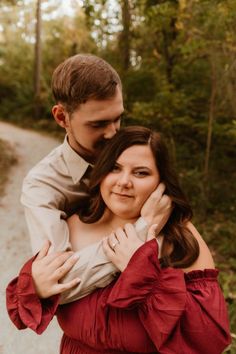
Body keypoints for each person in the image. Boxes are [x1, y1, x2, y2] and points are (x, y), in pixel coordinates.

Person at [7, 126, 231, 354]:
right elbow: (22, 313)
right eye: (115, 168)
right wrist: (37, 288)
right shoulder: (72, 227)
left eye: (141, 173)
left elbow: (209, 342)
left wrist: (145, 274)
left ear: (161, 183)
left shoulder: (181, 240)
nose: (124, 181)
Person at [21, 54, 171, 301]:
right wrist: (141, 230)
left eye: (118, 118)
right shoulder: (42, 185)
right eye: (98, 124)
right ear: (62, 118)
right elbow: (60, 282)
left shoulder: (138, 155)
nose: (113, 133)